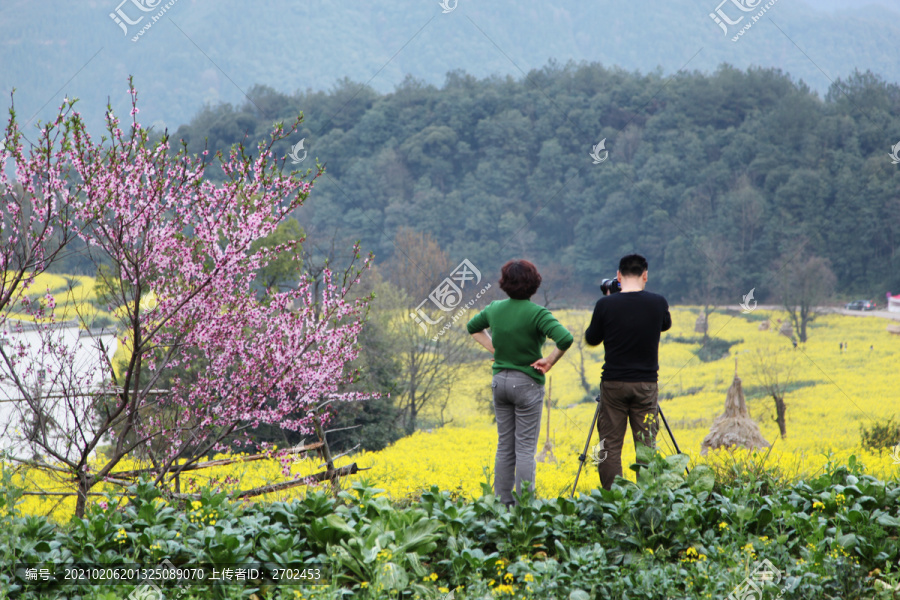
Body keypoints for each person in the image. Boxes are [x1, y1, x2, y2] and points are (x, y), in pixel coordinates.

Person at [467, 259, 573, 506]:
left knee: (504, 446)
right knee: (525, 449)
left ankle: (501, 505)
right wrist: (549, 361)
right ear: (534, 284)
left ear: (505, 284)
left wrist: (494, 348)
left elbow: (473, 327)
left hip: (499, 383)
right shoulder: (537, 313)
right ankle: (524, 508)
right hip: (526, 384)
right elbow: (565, 338)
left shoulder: (494, 308)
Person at [584, 254, 671, 490]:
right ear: (645, 275)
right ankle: (646, 496)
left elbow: (591, 338)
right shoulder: (658, 302)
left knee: (609, 445)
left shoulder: (605, 304)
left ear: (619, 276)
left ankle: (615, 499)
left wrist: (611, 304)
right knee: (646, 443)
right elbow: (665, 324)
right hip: (646, 384)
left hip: (613, 383)